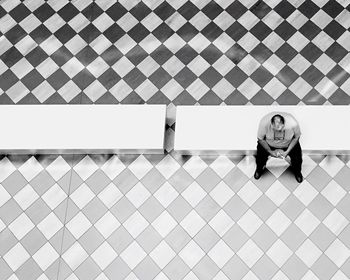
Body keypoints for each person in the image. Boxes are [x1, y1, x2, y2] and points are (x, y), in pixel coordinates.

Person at [254, 112, 303, 183]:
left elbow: (296, 137)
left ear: (284, 124)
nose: (278, 132)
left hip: (288, 144)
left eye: (280, 130)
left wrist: (287, 151)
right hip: (269, 144)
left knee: (297, 159)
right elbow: (260, 139)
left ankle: (297, 171)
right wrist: (270, 151)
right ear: (271, 125)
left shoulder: (293, 123)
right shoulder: (264, 123)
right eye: (275, 130)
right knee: (260, 158)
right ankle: (259, 169)